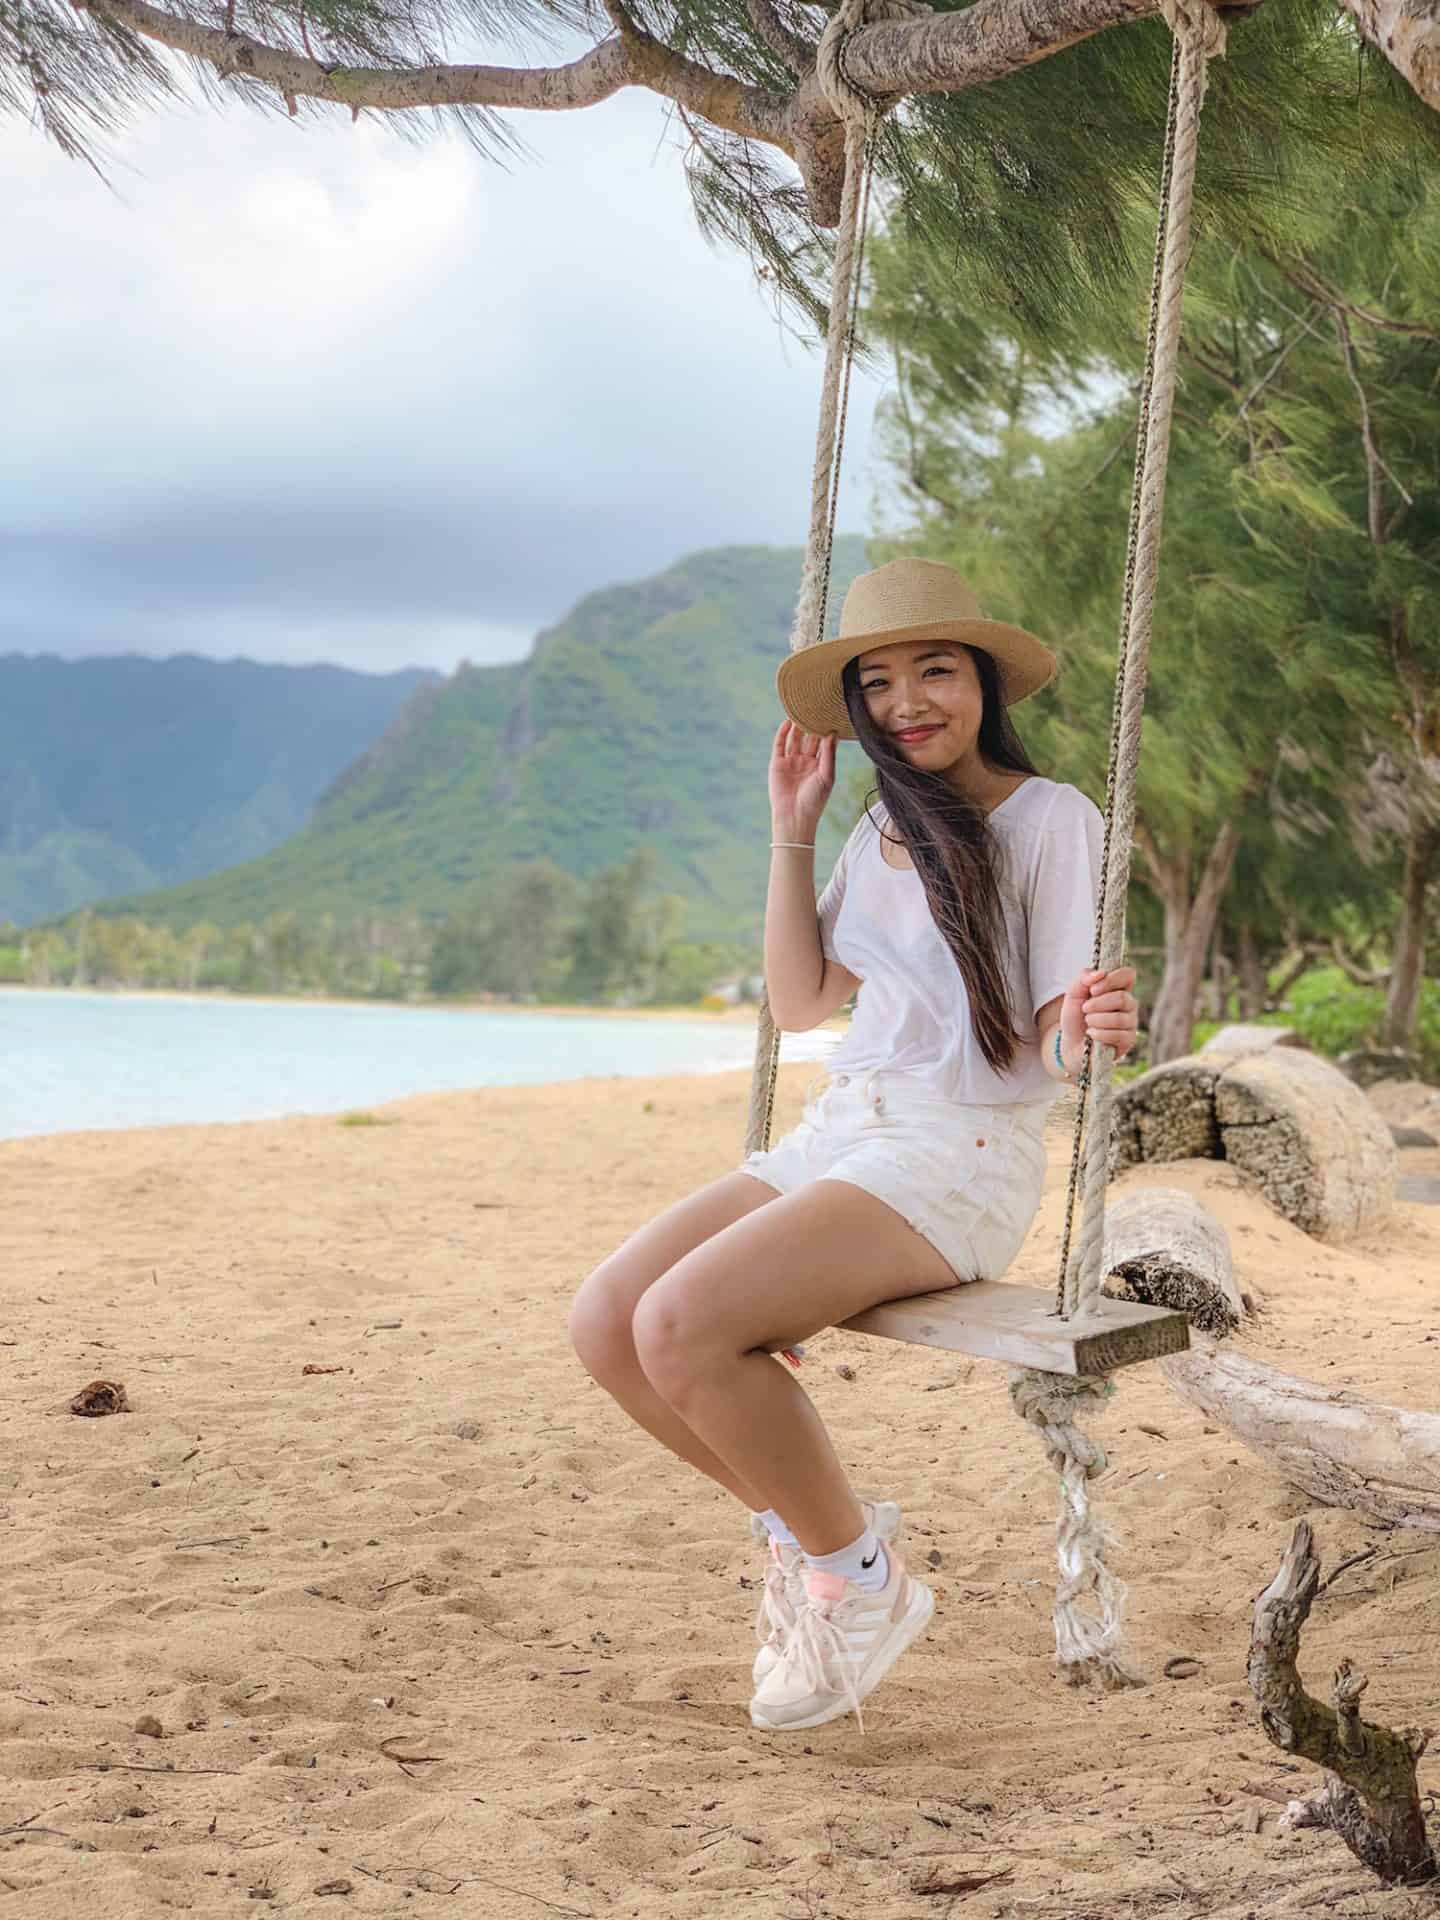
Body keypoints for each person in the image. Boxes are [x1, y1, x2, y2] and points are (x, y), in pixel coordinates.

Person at [568, 556, 1138, 1734]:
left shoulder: (1048, 819)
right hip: (842, 1133)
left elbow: (1049, 1038)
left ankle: (852, 1577)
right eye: (878, 682)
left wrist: (1090, 1027)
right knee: (608, 1323)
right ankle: (824, 1535)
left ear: (982, 680)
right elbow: (800, 1000)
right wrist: (793, 828)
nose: (906, 702)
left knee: (682, 1327)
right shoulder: (878, 821)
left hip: (956, 1155)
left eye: (935, 670)